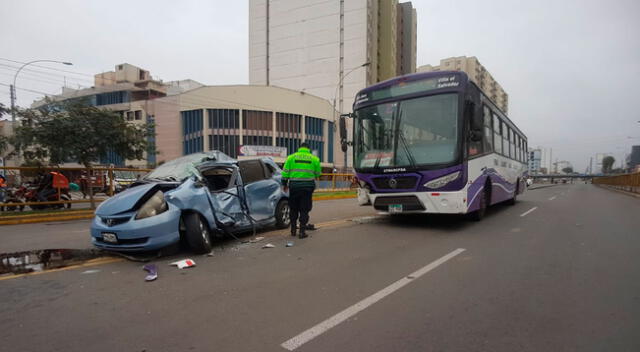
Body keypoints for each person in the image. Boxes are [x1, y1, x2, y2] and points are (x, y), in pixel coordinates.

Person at [281, 142, 321, 239]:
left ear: (299, 148)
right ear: (308, 149)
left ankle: (293, 230)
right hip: (307, 188)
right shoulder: (314, 159)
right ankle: (302, 232)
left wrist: (284, 184)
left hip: (294, 187)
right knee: (304, 209)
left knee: (293, 208)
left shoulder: (291, 158)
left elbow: (285, 173)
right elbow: (318, 174)